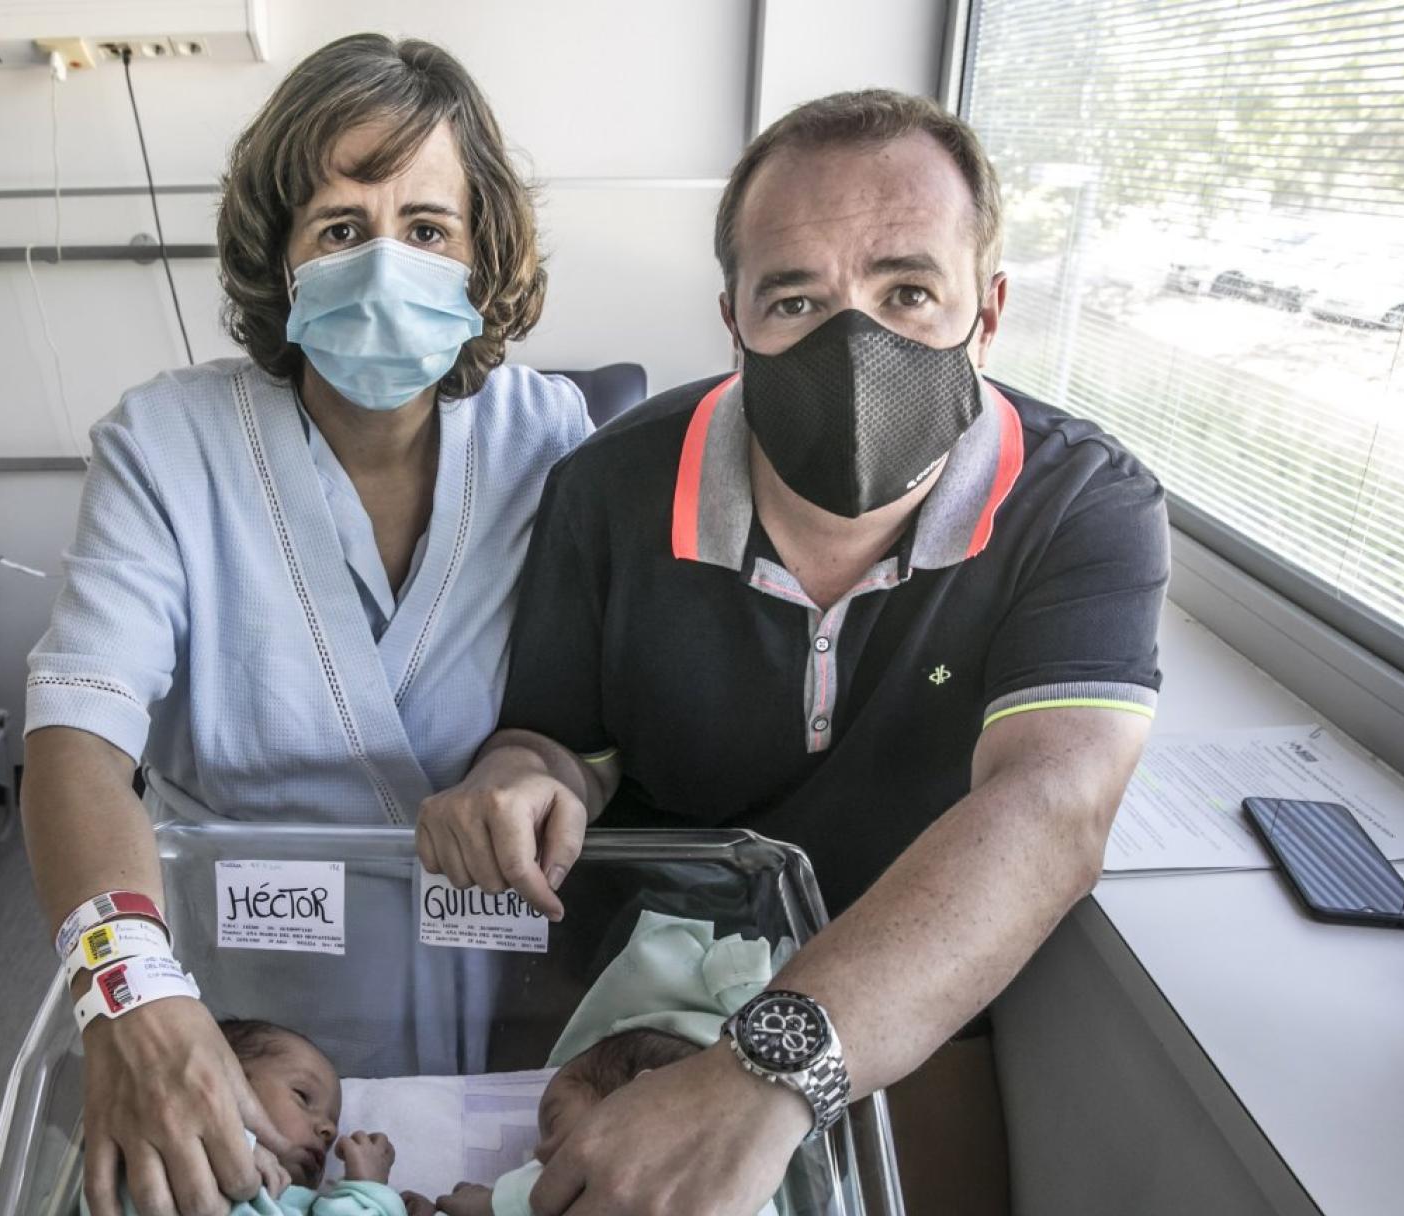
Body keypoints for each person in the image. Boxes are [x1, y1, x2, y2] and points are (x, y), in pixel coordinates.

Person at [417, 89, 1168, 1216]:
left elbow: (1053, 805)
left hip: (911, 986)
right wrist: (518, 777)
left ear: (990, 308)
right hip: (643, 978)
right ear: (734, 316)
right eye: (796, 298)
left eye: (908, 292)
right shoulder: (611, 488)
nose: (852, 340)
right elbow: (558, 741)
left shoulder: (1083, 505)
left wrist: (767, 1070)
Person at [22, 33, 590, 1216]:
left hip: (482, 963)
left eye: (427, 229)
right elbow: (74, 742)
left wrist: (525, 765)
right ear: (280, 263)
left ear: (483, 258)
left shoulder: (552, 441)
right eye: (340, 226)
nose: (386, 264)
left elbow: (590, 719)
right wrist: (126, 991)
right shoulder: (167, 447)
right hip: (232, 989)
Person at [404, 1029, 777, 1216]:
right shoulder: (752, 1176)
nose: (541, 1150)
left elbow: (516, 1202)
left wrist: (480, 1201)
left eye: (554, 1120)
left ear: (636, 1098)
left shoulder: (610, 1161)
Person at [95, 1019, 409, 1216]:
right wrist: (372, 1191)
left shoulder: (289, 1198)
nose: (328, 1131)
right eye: (303, 1096)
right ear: (224, 1081)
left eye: (332, 1129)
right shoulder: (159, 1133)